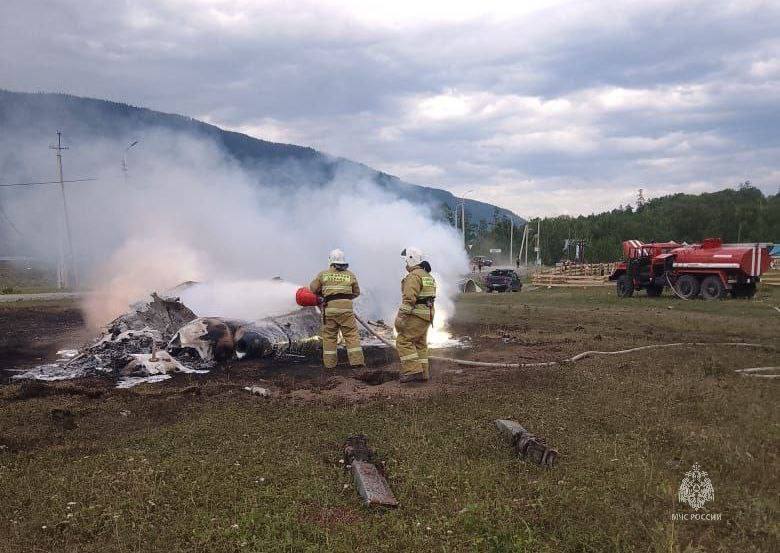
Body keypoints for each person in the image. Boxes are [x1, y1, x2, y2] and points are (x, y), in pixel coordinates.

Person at [309, 249, 364, 369]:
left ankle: (330, 365)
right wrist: (345, 299)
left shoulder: (323, 274)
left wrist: (324, 293)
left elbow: (313, 288)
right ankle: (357, 362)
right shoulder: (350, 275)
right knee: (351, 335)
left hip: (330, 309)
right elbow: (356, 292)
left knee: (329, 336)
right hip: (347, 310)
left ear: (331, 261)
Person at [395, 247, 437, 383]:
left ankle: (413, 371)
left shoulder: (413, 276)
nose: (405, 264)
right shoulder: (427, 276)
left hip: (417, 315)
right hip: (427, 315)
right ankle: (423, 373)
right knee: (420, 344)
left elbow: (409, 299)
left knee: (403, 341)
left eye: (406, 261)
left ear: (411, 259)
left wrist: (401, 317)